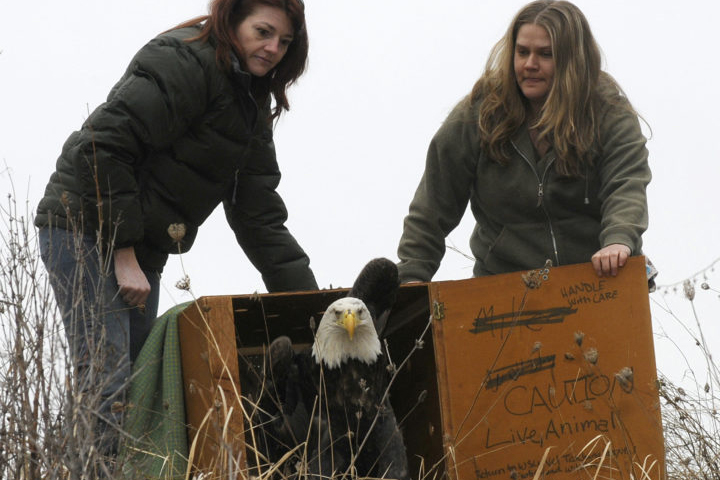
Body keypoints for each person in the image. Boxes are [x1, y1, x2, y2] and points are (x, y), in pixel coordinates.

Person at [35, 0, 316, 461]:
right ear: (232, 20)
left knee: (141, 396)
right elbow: (100, 145)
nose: (272, 49)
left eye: (284, 41)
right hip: (83, 228)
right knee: (106, 385)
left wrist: (311, 307)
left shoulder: (249, 101)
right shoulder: (187, 61)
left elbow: (258, 213)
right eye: (263, 32)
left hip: (140, 248)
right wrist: (123, 253)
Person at [397, 0, 651, 284]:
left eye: (545, 54)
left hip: (598, 279)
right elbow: (433, 203)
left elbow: (627, 184)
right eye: (522, 52)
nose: (530, 64)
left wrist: (619, 240)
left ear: (572, 61)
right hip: (504, 284)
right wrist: (412, 277)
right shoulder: (479, 114)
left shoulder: (607, 111)